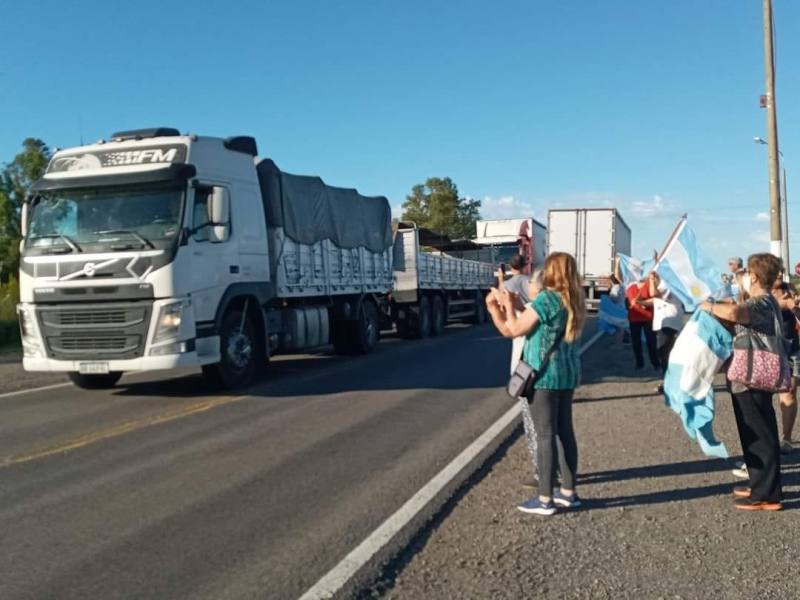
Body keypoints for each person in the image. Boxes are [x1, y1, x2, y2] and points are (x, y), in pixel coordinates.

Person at [486, 252, 586, 516]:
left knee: (544, 435)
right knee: (565, 432)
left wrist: (503, 306)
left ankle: (544, 499)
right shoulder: (573, 299)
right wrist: (517, 304)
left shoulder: (547, 299)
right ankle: (568, 492)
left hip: (543, 377)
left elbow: (515, 329)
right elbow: (537, 324)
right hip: (566, 374)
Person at [700, 253, 784, 511]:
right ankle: (761, 485)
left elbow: (736, 312)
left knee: (759, 433)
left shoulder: (761, 303)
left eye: (748, 273)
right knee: (754, 432)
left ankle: (767, 494)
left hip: (753, 377)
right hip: (751, 376)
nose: (745, 276)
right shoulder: (765, 303)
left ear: (755, 277)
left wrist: (709, 306)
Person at [772, 270, 798, 454]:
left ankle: (786, 437)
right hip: (768, 350)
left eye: (781, 270)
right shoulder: (758, 291)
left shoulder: (789, 288)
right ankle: (766, 440)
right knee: (763, 397)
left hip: (791, 348)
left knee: (789, 392)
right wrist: (780, 305)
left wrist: (795, 307)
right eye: (775, 270)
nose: (780, 273)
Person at [626, 271, 661, 372]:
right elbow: (634, 301)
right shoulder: (631, 288)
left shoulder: (649, 285)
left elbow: (653, 298)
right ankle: (640, 363)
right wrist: (642, 302)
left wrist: (643, 302)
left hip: (648, 318)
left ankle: (655, 363)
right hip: (634, 318)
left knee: (652, 342)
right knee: (636, 342)